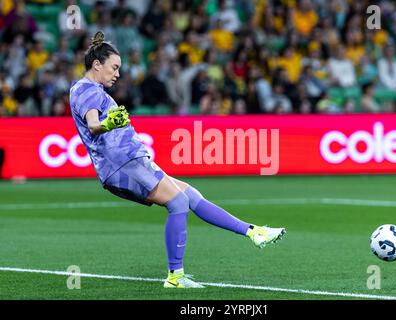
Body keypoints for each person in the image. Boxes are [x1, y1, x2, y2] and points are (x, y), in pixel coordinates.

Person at [69, 31, 286, 289]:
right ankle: (175, 276)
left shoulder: (90, 90)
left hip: (128, 161)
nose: (117, 74)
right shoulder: (88, 90)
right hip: (123, 163)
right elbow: (93, 124)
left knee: (191, 195)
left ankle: (253, 232)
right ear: (97, 65)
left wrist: (108, 123)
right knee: (179, 202)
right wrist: (107, 123)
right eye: (114, 67)